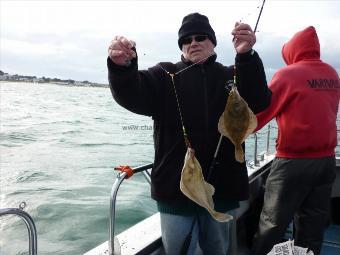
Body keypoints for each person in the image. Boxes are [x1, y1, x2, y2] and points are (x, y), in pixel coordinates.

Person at [107, 13, 271, 255]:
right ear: (181, 47)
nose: (193, 43)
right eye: (186, 40)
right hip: (176, 191)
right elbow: (131, 93)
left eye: (200, 37)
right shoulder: (164, 75)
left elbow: (259, 100)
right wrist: (123, 67)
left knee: (218, 248)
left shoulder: (232, 76)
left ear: (213, 42)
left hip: (222, 188)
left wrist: (246, 55)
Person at [251, 26, 340, 255]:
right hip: (326, 162)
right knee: (312, 224)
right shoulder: (332, 74)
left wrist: (237, 131)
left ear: (292, 51)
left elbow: (261, 113)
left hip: (293, 162)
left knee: (272, 222)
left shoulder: (287, 74)